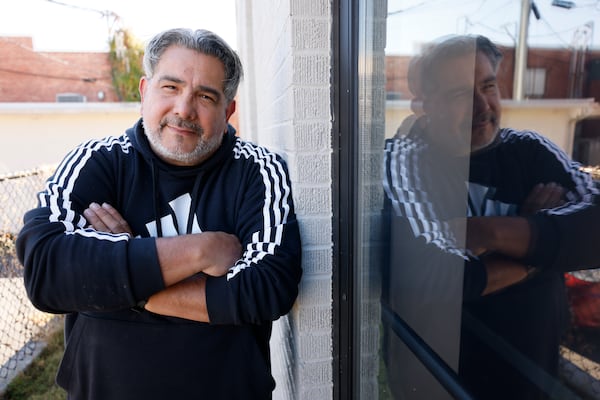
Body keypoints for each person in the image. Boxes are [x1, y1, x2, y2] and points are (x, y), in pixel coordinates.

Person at [16, 28, 302, 400]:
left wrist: (122, 277)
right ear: (143, 92)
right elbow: (46, 270)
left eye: (205, 96)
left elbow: (267, 288)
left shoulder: (258, 171)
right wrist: (201, 250)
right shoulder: (98, 162)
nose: (184, 109)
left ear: (228, 110)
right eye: (170, 87)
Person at [382, 34, 600, 399]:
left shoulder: (531, 151)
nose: (482, 106)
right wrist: (543, 246)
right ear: (424, 105)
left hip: (531, 381)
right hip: (441, 384)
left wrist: (490, 231)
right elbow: (437, 280)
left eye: (488, 86)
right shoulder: (403, 160)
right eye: (458, 95)